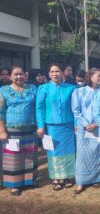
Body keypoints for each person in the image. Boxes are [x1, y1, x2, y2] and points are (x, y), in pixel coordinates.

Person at [36, 63, 76, 191]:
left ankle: (69, 176)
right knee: (54, 152)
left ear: (62, 73)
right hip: (51, 126)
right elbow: (40, 108)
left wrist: (76, 124)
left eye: (57, 71)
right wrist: (41, 126)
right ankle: (56, 178)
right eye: (52, 71)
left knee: (69, 151)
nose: (55, 74)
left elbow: (75, 109)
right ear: (48, 74)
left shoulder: (71, 88)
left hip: (68, 126)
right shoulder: (43, 88)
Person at [0, 66, 38, 196]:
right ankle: (14, 185)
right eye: (15, 74)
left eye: (21, 74)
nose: (18, 77)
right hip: (12, 130)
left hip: (30, 128)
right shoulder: (4, 90)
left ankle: (29, 181)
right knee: (13, 157)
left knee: (29, 156)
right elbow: (0, 112)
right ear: (10, 76)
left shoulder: (32, 88)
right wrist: (2, 131)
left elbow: (38, 107)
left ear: (25, 75)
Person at [71, 68, 100, 194]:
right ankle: (80, 181)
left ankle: (96, 179)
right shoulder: (79, 92)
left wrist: (97, 123)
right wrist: (85, 124)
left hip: (98, 127)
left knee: (96, 153)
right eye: (98, 76)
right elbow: (76, 110)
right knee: (82, 155)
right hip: (83, 128)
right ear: (90, 77)